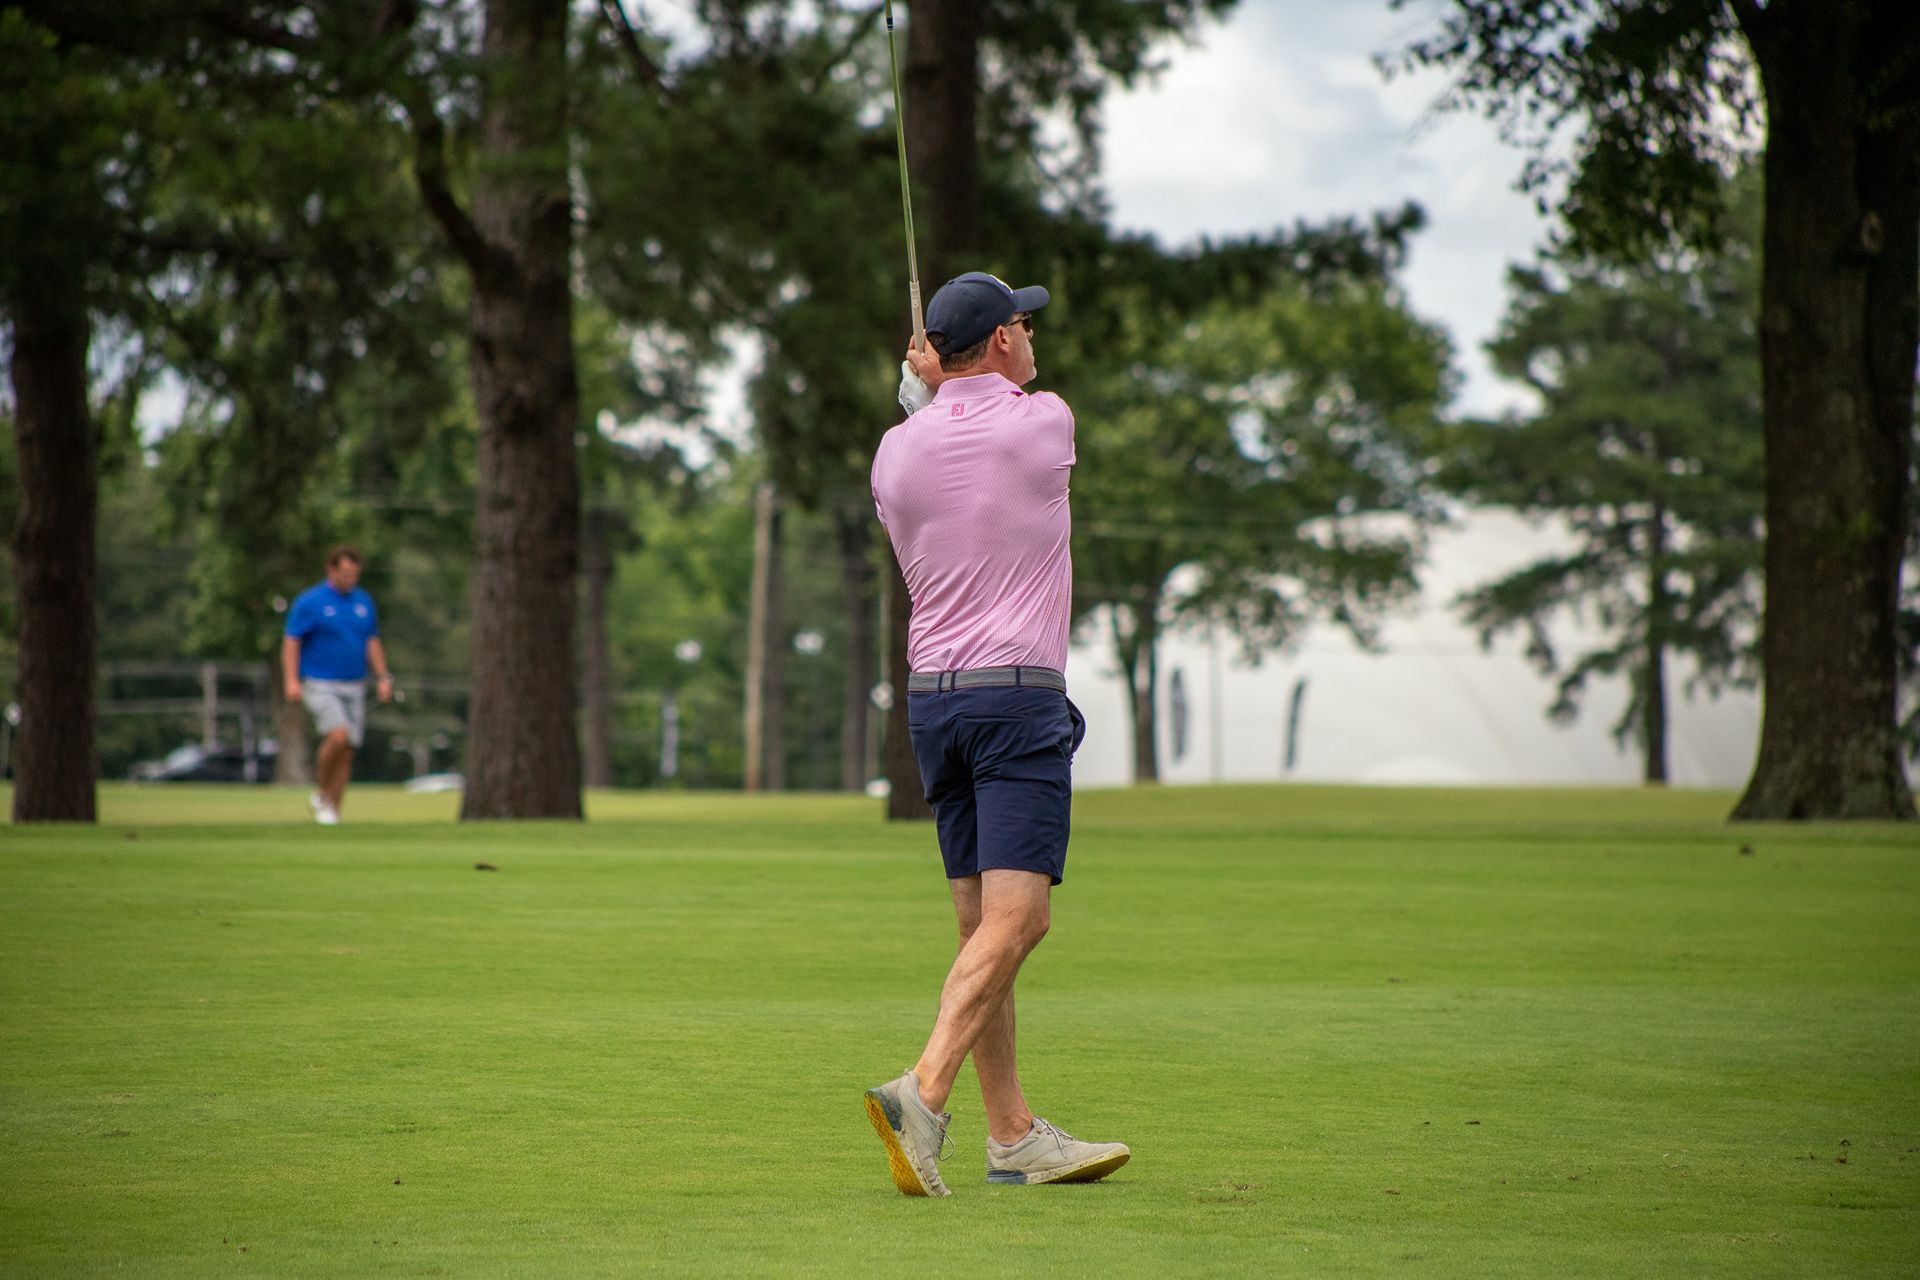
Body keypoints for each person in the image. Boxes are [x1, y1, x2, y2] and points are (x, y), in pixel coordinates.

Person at [863, 272, 1130, 1197]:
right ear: (1006, 339)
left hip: (933, 704)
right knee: (1021, 919)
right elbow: (998, 427)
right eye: (1025, 322)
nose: (1032, 335)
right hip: (1016, 699)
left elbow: (932, 455)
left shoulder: (893, 452)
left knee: (983, 929)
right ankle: (923, 1093)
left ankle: (1013, 1136)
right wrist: (940, 384)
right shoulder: (1043, 422)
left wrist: (922, 396)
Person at [281, 546, 392, 825]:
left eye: (355, 574)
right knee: (338, 736)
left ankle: (333, 812)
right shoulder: (311, 602)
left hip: (355, 683)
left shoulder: (363, 602)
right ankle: (322, 794)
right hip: (320, 683)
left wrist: (383, 677)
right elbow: (292, 641)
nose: (350, 579)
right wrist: (291, 680)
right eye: (345, 573)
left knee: (348, 749)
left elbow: (372, 641)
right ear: (331, 569)